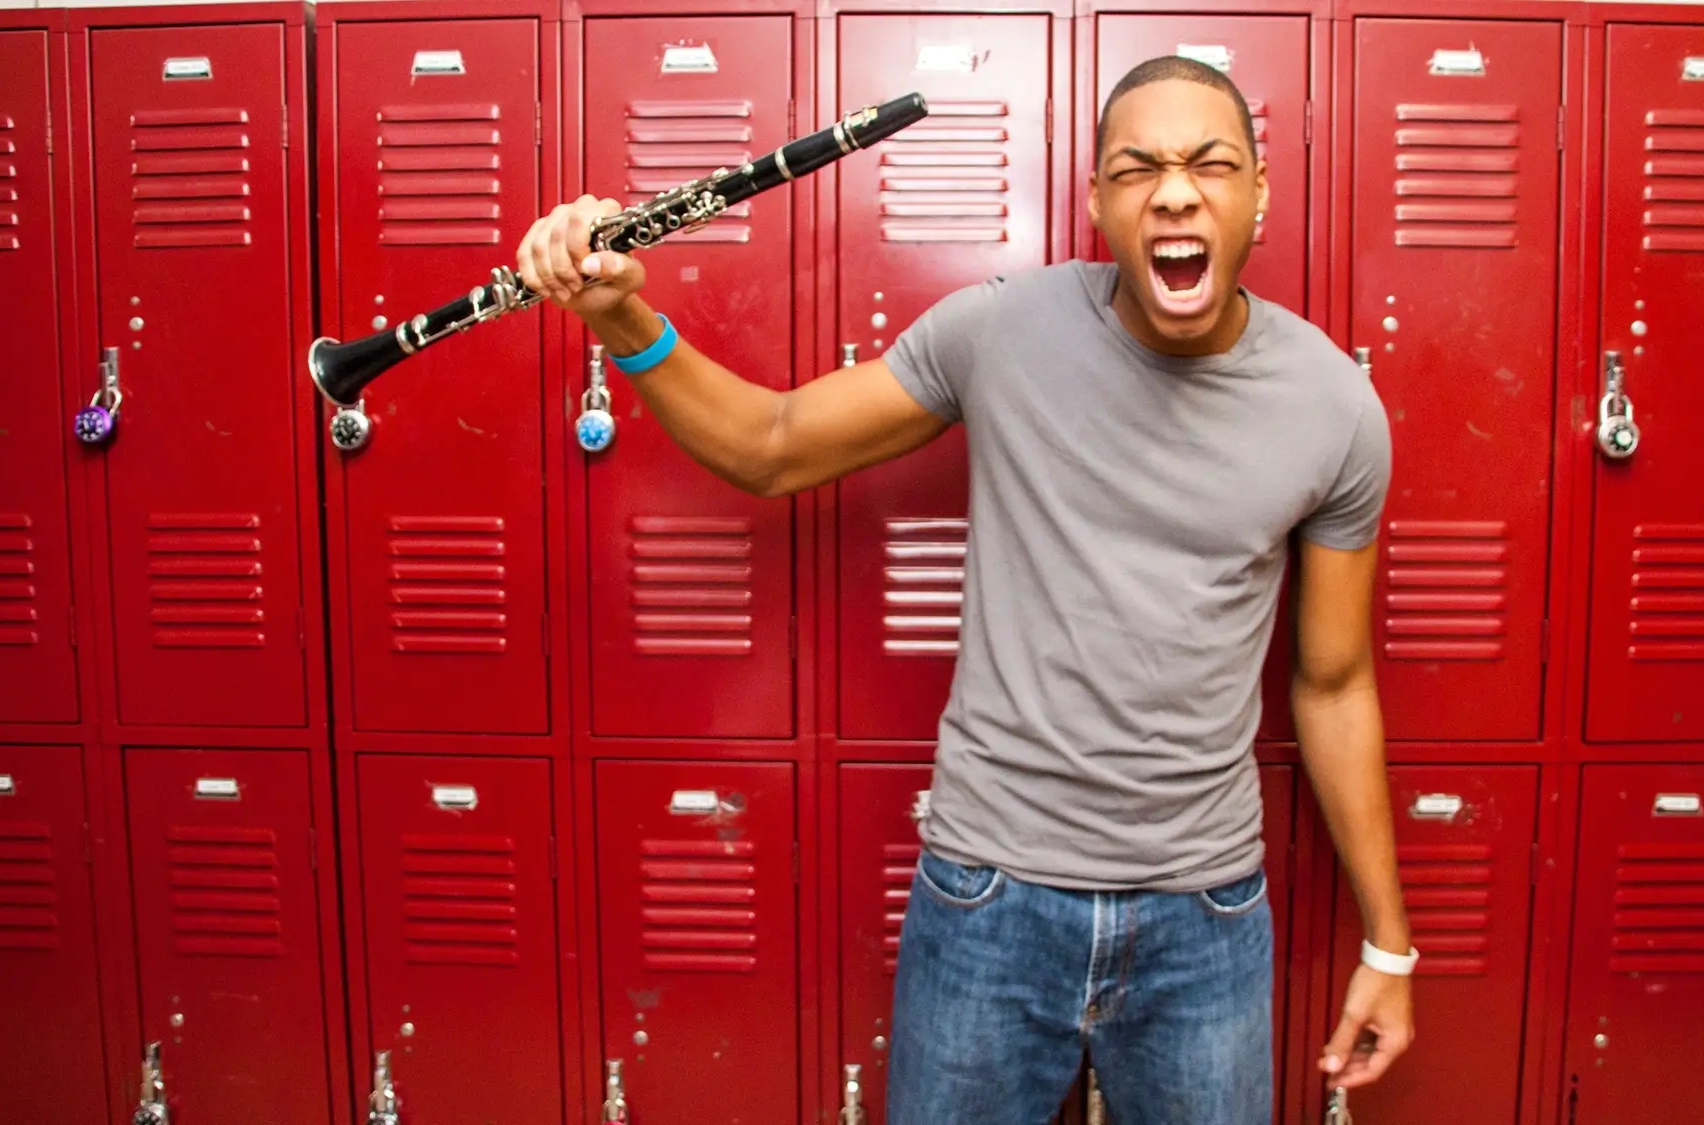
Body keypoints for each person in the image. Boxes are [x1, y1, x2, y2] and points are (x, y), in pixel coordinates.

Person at [519, 54, 1414, 1125]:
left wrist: (1387, 944)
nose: (1174, 190)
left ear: (1256, 195)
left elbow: (1332, 683)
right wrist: (626, 322)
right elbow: (771, 443)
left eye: (1210, 163)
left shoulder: (1333, 407)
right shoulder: (1001, 331)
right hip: (987, 897)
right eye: (1136, 168)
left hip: (1203, 918)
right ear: (1096, 203)